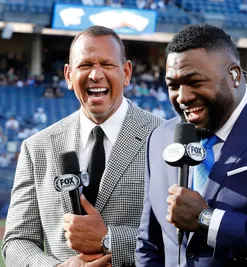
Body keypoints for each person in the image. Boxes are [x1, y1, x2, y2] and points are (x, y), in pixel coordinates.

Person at [135, 24, 247, 266]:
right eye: (173, 85)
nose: (182, 96)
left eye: (195, 81)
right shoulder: (160, 137)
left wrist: (207, 220)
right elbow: (149, 244)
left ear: (234, 75)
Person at [2, 26, 163, 267]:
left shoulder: (163, 139)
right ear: (68, 75)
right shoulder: (37, 148)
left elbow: (181, 237)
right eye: (85, 65)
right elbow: (17, 240)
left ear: (126, 72)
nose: (96, 75)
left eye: (107, 64)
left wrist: (109, 240)